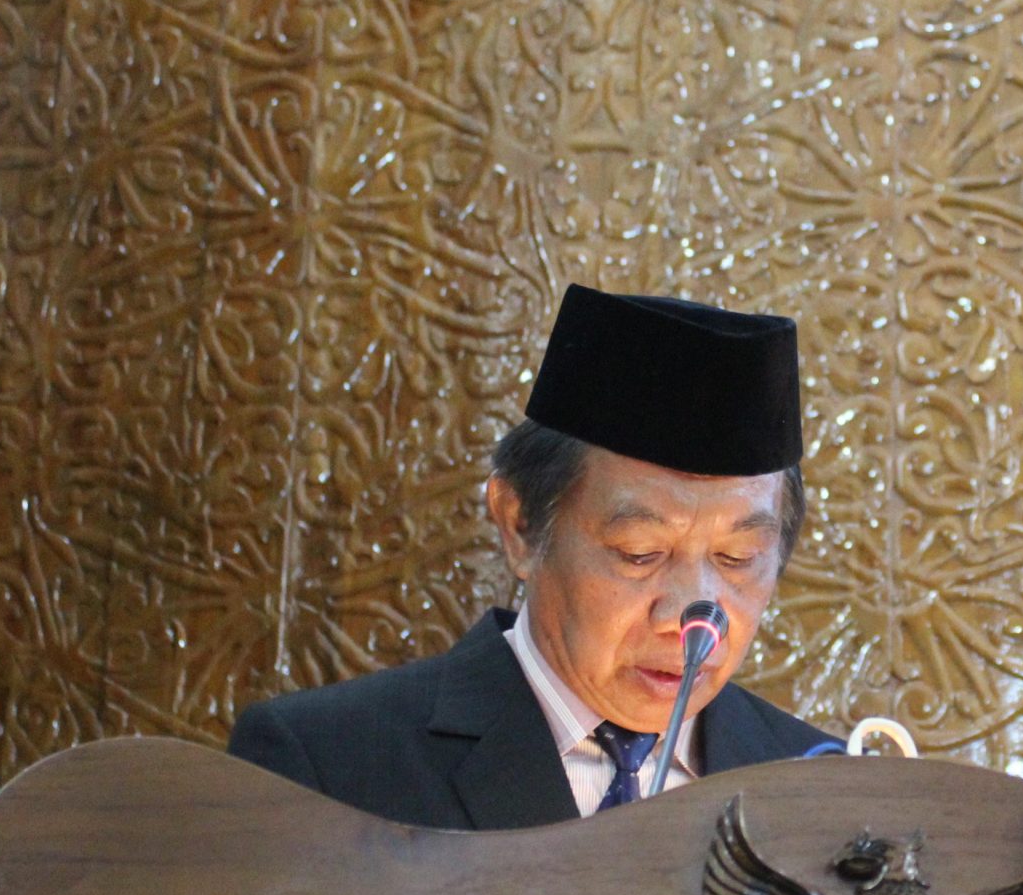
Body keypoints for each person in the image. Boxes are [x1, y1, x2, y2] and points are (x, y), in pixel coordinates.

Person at [227, 284, 837, 827]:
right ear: (520, 525)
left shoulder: (822, 793)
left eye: (737, 558)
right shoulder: (327, 765)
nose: (691, 619)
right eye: (640, 553)